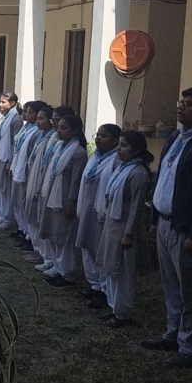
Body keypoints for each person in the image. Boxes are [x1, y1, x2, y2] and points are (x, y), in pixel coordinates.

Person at [142, 87, 192, 371]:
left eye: (189, 104)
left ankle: (191, 347)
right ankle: (173, 334)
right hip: (165, 221)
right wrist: (154, 217)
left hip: (186, 227)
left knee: (191, 289)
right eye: (181, 102)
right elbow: (164, 178)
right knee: (171, 284)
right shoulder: (176, 137)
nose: (181, 107)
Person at [97, 130, 154, 329]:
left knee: (123, 272)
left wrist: (128, 233)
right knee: (111, 268)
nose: (118, 149)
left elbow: (136, 207)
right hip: (113, 224)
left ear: (136, 150)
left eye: (124, 146)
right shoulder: (123, 168)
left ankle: (123, 313)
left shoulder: (138, 173)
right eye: (119, 145)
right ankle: (114, 307)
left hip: (124, 229)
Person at [73, 123, 121, 309]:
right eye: (97, 135)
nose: (98, 138)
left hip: (102, 212)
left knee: (100, 249)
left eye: (104, 136)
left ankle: (104, 290)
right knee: (87, 246)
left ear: (115, 141)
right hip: (87, 207)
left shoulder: (116, 161)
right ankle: (94, 284)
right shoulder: (95, 157)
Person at [40, 114, 88, 289]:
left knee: (64, 237)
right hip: (54, 196)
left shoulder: (78, 152)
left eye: (63, 128)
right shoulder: (61, 147)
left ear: (74, 131)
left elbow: (75, 180)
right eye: (59, 127)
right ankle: (58, 269)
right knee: (54, 234)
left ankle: (68, 274)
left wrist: (71, 202)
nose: (59, 131)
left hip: (64, 199)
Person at [9, 101, 46, 248]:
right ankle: (23, 230)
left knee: (25, 204)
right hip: (19, 168)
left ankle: (29, 236)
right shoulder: (27, 128)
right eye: (25, 112)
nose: (25, 115)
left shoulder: (37, 132)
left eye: (30, 112)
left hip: (27, 172)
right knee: (19, 201)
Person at [22, 106, 57, 268]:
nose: (37, 121)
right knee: (33, 216)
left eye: (41, 118)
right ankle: (38, 250)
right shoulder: (43, 136)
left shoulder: (53, 139)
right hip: (35, 178)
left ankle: (46, 256)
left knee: (39, 220)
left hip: (42, 182)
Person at [0, 92, 23, 230]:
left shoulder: (16, 119)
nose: (0, 104)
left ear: (13, 103)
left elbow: (15, 143)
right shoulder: (4, 117)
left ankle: (7, 217)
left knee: (5, 189)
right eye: (0, 101)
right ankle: (1, 215)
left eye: (3, 102)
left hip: (7, 158)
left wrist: (11, 162)